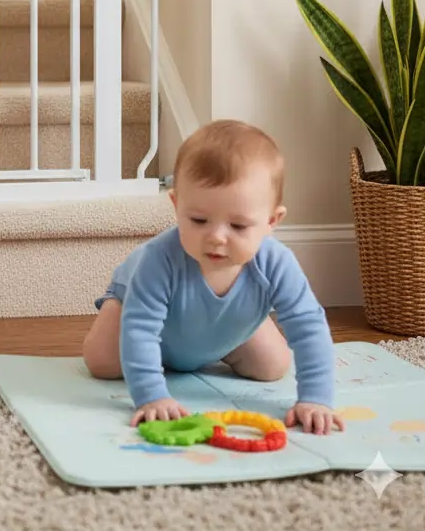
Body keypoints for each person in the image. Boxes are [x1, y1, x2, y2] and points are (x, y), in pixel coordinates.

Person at [83, 119, 346, 435]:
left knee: (273, 367)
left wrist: (316, 399)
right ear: (177, 205)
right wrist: (152, 396)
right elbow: (139, 328)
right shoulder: (159, 259)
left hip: (216, 321)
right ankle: (135, 324)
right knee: (101, 362)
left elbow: (308, 326)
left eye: (238, 227)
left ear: (271, 221)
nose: (217, 237)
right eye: (198, 220)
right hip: (140, 311)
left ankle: (233, 325)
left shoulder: (278, 263)